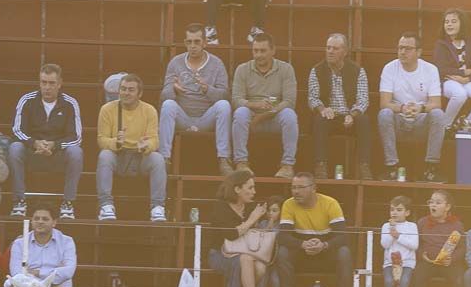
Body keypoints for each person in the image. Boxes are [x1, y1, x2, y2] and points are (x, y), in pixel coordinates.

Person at [7, 63, 83, 220]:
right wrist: (35, 143)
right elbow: (17, 130)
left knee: (76, 152)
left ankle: (68, 203)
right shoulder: (27, 100)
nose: (47, 87)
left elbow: (76, 137)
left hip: (57, 155)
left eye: (51, 83)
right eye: (44, 82)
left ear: (60, 84)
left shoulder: (70, 103)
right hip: (32, 153)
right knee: (14, 148)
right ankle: (19, 201)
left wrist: (54, 145)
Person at [159, 23, 232, 176]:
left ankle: (224, 159)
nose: (193, 46)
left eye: (197, 41)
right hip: (183, 117)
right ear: (185, 43)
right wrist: (173, 89)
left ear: (204, 42)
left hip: (206, 118)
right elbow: (163, 97)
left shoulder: (217, 64)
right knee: (168, 105)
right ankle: (164, 159)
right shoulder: (176, 62)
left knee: (224, 106)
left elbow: (225, 95)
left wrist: (208, 89)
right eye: (189, 42)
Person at [95, 73, 167, 222]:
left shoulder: (149, 110)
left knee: (158, 159)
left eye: (130, 90)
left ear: (139, 94)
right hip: (118, 156)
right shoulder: (107, 109)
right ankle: (106, 206)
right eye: (123, 89)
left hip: (140, 157)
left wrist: (146, 146)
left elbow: (154, 140)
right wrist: (116, 142)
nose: (125, 93)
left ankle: (157, 207)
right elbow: (102, 140)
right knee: (105, 156)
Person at [377, 32, 446, 183]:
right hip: (399, 122)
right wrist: (402, 108)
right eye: (400, 48)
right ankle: (392, 168)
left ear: (419, 52)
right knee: (384, 114)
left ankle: (431, 169)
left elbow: (436, 103)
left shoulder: (430, 69)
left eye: (408, 48)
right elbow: (384, 103)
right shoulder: (389, 68)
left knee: (438, 114)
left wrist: (420, 108)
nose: (402, 52)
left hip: (420, 122)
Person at [231, 32, 298, 178]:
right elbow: (236, 100)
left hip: (274, 117)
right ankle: (241, 163)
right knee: (240, 113)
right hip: (251, 115)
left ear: (273, 50)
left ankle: (287, 166)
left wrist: (265, 115)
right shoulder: (242, 69)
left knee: (290, 115)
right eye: (255, 51)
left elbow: (289, 101)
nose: (258, 55)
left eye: (263, 51)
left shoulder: (286, 69)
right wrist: (255, 105)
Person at [275, 173, 352, 287]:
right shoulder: (288, 204)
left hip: (326, 252)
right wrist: (303, 244)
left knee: (344, 252)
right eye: (293, 187)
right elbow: (282, 237)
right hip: (301, 252)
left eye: (301, 187)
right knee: (283, 252)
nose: (296, 192)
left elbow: (343, 236)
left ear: (313, 188)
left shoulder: (330, 203)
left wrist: (324, 245)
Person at [308, 33, 372, 180]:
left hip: (350, 117)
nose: (330, 51)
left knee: (364, 120)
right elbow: (312, 98)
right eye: (328, 48)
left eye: (335, 48)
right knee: (319, 120)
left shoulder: (358, 71)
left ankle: (364, 166)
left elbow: (363, 99)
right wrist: (323, 109)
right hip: (329, 117)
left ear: (345, 52)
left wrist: (352, 114)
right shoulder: (316, 70)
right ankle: (320, 165)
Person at [206, 169, 267, 287]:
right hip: (220, 254)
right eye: (250, 188)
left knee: (260, 266)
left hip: (246, 252)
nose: (254, 192)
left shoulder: (251, 207)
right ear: (237, 189)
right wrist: (251, 220)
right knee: (245, 259)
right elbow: (231, 235)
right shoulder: (220, 207)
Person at [434, 8, 471, 129]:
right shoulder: (441, 44)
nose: (449, 24)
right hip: (447, 81)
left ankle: (466, 123)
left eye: (453, 21)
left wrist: (468, 79)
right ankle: (444, 126)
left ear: (462, 24)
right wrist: (463, 72)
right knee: (460, 94)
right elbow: (440, 69)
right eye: (446, 22)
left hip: (467, 81)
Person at [412, 190, 466, 287]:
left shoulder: (457, 224)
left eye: (438, 202)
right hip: (428, 262)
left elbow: (462, 248)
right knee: (417, 277)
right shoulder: (422, 222)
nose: (433, 205)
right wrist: (422, 255)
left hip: (449, 264)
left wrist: (452, 258)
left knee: (460, 279)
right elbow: (416, 245)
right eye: (431, 202)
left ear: (447, 207)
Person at [9, 203, 77, 287]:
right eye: (36, 219)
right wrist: (54, 272)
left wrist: (37, 272)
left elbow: (68, 272)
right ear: (31, 221)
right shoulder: (19, 243)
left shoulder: (67, 242)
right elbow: (17, 273)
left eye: (45, 219)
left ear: (54, 222)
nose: (40, 222)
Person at [380, 195, 418, 287]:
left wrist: (398, 236)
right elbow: (385, 245)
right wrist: (392, 230)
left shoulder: (412, 226)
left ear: (407, 213)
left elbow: (414, 245)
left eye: (399, 210)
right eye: (392, 209)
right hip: (389, 263)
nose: (394, 212)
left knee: (404, 280)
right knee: (388, 281)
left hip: (407, 263)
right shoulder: (386, 226)